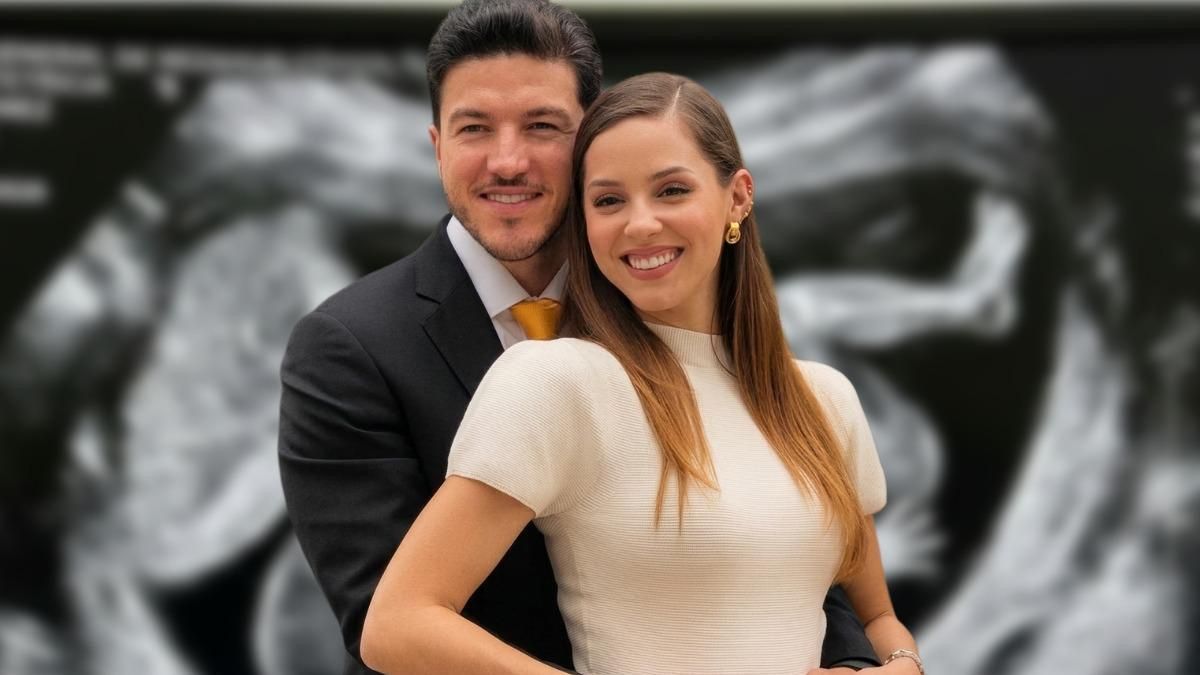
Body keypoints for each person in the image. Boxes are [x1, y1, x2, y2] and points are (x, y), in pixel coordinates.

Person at [279, 1, 880, 673]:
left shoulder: (668, 301)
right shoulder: (349, 347)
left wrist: (861, 664)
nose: (508, 161)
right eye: (474, 129)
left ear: (592, 138)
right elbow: (386, 623)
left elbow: (787, 545)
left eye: (542, 126)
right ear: (438, 145)